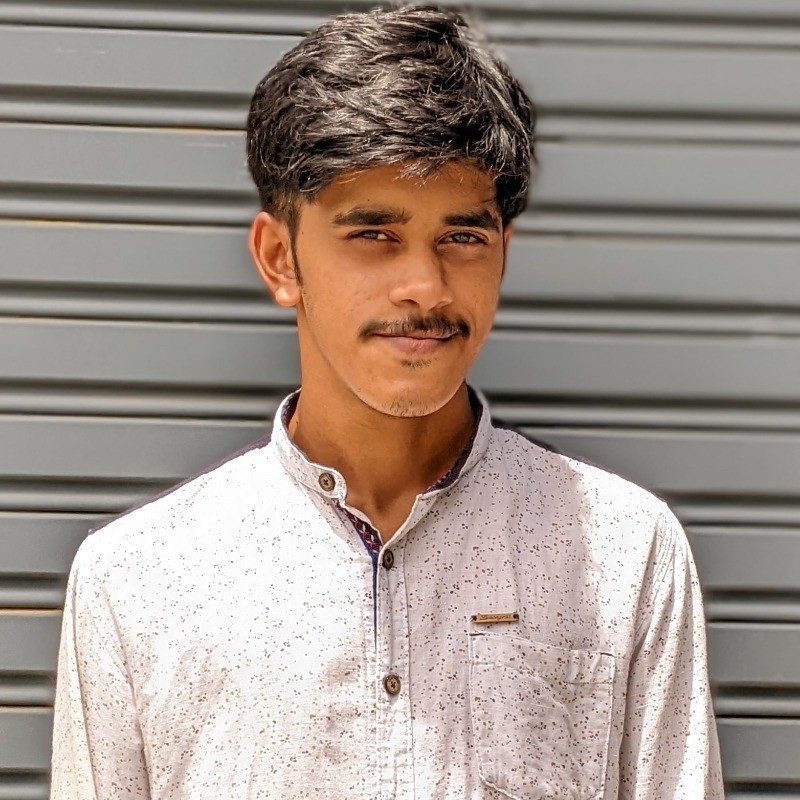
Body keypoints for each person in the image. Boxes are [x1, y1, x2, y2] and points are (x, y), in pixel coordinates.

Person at [50, 5, 723, 798]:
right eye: (374, 234)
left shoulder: (623, 552)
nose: (425, 288)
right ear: (279, 257)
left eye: (461, 237)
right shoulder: (137, 582)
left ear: (502, 254)